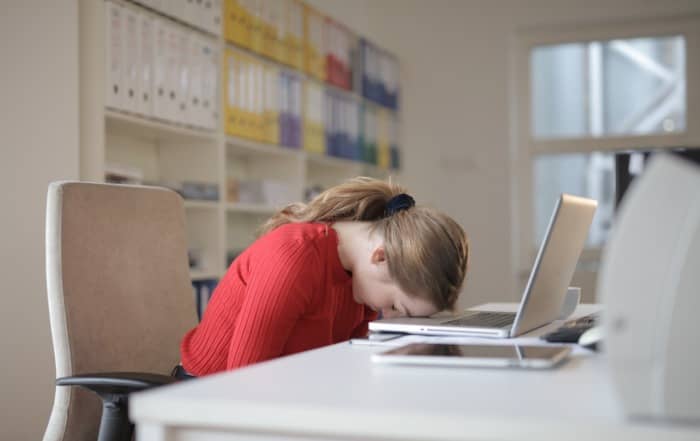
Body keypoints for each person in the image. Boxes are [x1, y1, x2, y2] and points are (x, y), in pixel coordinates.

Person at [178, 176, 469, 376]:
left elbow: (343, 367)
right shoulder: (294, 257)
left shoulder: (362, 282)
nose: (389, 318)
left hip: (283, 394)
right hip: (207, 399)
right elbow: (245, 384)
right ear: (381, 257)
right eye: (396, 307)